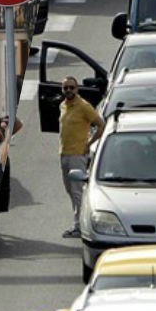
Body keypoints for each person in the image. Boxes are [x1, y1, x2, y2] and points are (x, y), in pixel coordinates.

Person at [59, 76, 102, 239]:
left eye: (71, 87)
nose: (69, 90)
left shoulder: (83, 106)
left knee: (77, 192)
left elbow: (100, 124)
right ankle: (79, 223)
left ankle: (80, 226)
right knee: (70, 190)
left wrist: (89, 143)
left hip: (77, 155)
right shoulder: (62, 105)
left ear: (77, 89)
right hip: (64, 153)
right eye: (65, 88)